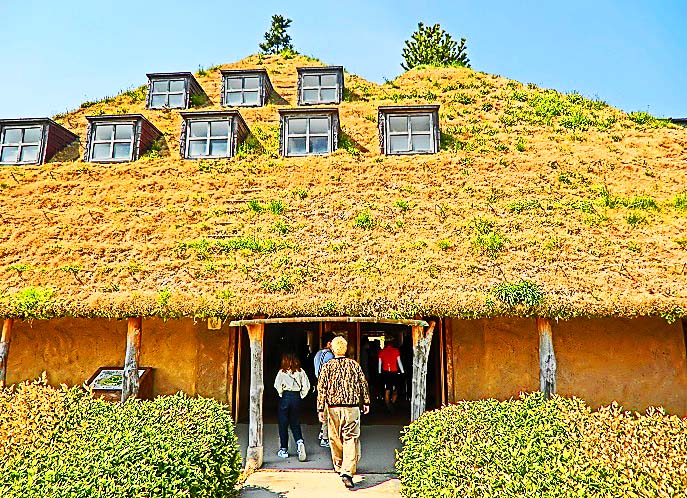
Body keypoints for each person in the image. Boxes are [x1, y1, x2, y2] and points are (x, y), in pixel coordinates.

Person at [317, 336, 370, 489]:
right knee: (351, 438)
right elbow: (363, 384)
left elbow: (321, 388)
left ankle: (340, 465)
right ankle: (347, 471)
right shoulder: (354, 365)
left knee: (335, 438)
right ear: (346, 349)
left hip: (333, 407)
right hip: (351, 406)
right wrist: (366, 402)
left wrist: (320, 408)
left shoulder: (327, 366)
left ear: (332, 349)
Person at [274, 353, 310, 461]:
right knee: (295, 422)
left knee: (283, 423)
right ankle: (299, 442)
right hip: (296, 397)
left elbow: (277, 385)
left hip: (285, 396)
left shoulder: (282, 372)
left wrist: (281, 394)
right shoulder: (301, 371)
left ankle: (284, 449)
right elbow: (306, 386)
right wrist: (301, 395)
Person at [313, 332, 335, 448]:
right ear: (329, 343)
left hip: (320, 384)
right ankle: (325, 437)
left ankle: (323, 432)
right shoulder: (330, 356)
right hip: (328, 385)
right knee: (328, 412)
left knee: (324, 410)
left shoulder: (318, 354)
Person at [378, 336, 405, 412]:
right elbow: (399, 362)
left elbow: (379, 363)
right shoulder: (396, 351)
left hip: (385, 372)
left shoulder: (382, 352)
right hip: (394, 372)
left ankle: (388, 405)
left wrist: (379, 372)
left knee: (387, 389)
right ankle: (392, 403)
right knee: (395, 389)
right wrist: (402, 372)